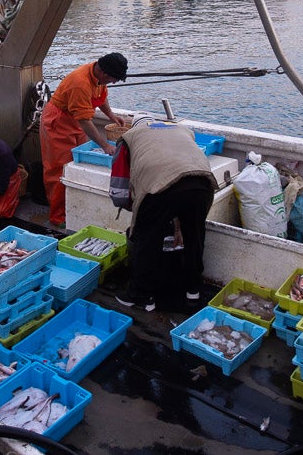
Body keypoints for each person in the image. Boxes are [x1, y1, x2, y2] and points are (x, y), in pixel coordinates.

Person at [110, 112, 217, 311]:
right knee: (194, 236)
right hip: (202, 182)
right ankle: (193, 292)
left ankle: (140, 296)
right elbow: (181, 175)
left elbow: (119, 189)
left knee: (147, 238)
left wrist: (135, 210)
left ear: (134, 126)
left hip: (161, 186)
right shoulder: (182, 129)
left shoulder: (129, 137)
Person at [39, 52, 128, 228]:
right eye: (114, 79)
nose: (114, 82)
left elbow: (101, 95)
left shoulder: (97, 76)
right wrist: (104, 145)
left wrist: (111, 115)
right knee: (60, 169)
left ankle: (73, 207)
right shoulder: (79, 83)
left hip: (75, 121)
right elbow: (84, 120)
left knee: (76, 164)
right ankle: (57, 216)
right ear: (103, 73)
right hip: (58, 121)